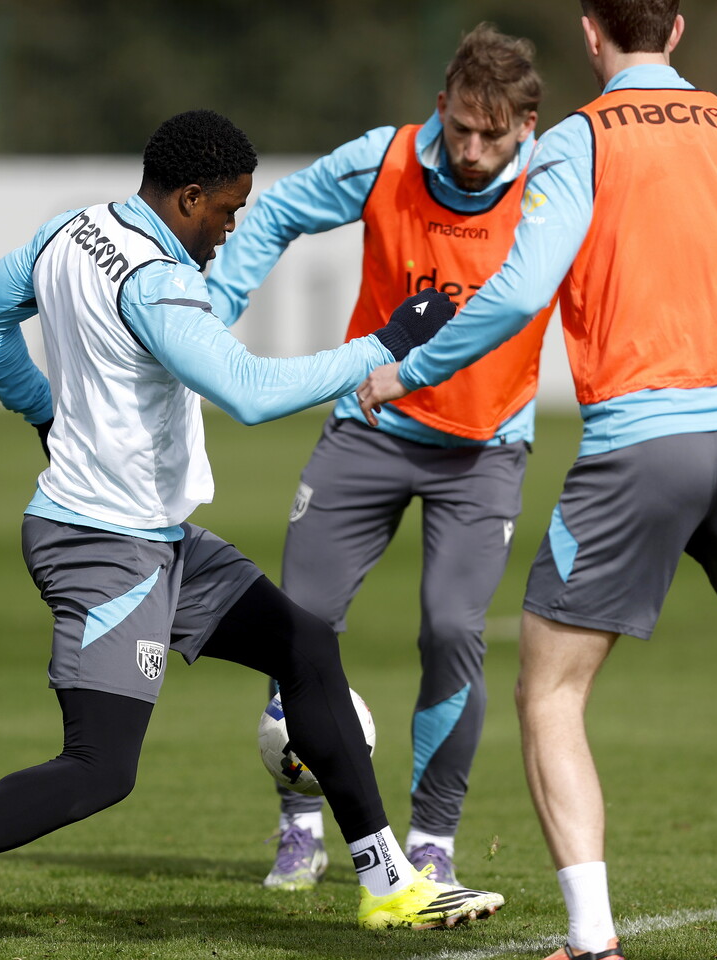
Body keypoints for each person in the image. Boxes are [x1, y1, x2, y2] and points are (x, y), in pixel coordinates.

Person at [0, 108, 506, 955]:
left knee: (305, 646)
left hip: (161, 539)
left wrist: (42, 411)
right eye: (227, 209)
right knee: (100, 768)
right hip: (105, 548)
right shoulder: (159, 280)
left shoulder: (71, 230)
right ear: (187, 199)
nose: (232, 227)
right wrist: (383, 346)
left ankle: (388, 882)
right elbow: (249, 392)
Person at [356, 4, 717, 960]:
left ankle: (593, 942)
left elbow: (515, 291)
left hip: (639, 449)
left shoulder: (580, 139)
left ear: (591, 34)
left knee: (550, 694)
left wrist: (408, 367)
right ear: (675, 27)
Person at [204, 22, 555, 893]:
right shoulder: (386, 159)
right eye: (459, 127)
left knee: (451, 631)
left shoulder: (562, 185)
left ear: (526, 124)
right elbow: (279, 211)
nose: (471, 151)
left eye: (492, 133)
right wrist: (210, 309)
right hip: (367, 430)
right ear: (440, 107)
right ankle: (299, 826)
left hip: (484, 451)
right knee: (298, 627)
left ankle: (431, 839)